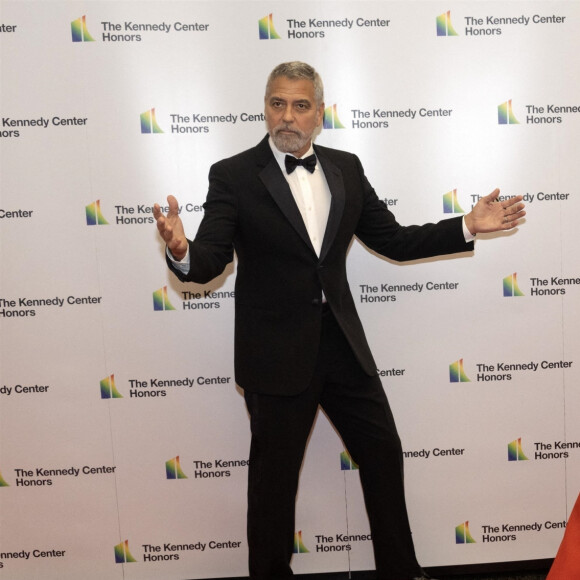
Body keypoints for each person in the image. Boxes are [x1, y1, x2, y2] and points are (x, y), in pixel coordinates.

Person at [153, 62, 525, 580]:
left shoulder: (346, 167)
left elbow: (392, 240)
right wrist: (182, 250)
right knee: (273, 486)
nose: (287, 116)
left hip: (343, 345)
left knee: (383, 456)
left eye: (300, 105)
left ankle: (401, 571)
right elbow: (211, 257)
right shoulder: (233, 174)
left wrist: (465, 225)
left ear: (319, 114)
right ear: (265, 108)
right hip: (275, 354)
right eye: (277, 104)